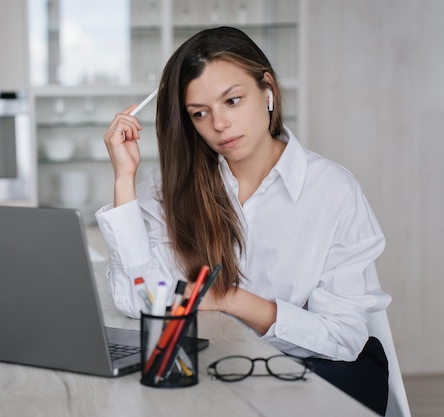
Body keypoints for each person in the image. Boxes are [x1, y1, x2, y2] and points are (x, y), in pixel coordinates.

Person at [95, 26, 390, 415]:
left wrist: (233, 300)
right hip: (221, 367)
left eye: (232, 101)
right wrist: (123, 179)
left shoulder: (332, 191)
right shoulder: (172, 188)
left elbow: (342, 336)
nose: (219, 125)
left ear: (267, 89)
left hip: (314, 372)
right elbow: (138, 298)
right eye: (200, 113)